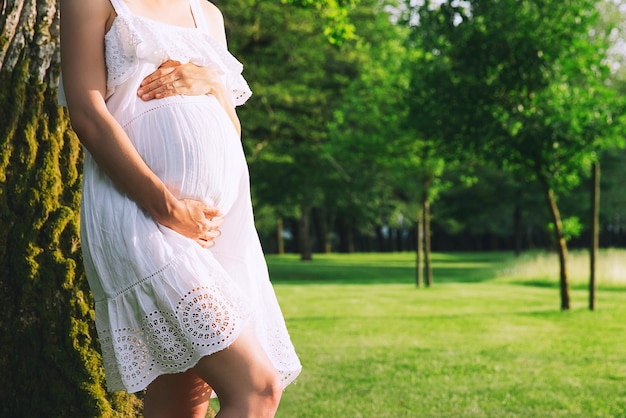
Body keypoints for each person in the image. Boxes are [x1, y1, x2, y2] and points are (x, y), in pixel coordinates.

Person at [59, 0, 302, 416]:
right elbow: (87, 113)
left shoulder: (207, 13)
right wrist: (166, 205)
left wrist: (211, 82)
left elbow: (231, 126)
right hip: (139, 217)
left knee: (181, 407)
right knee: (257, 388)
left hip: (214, 232)